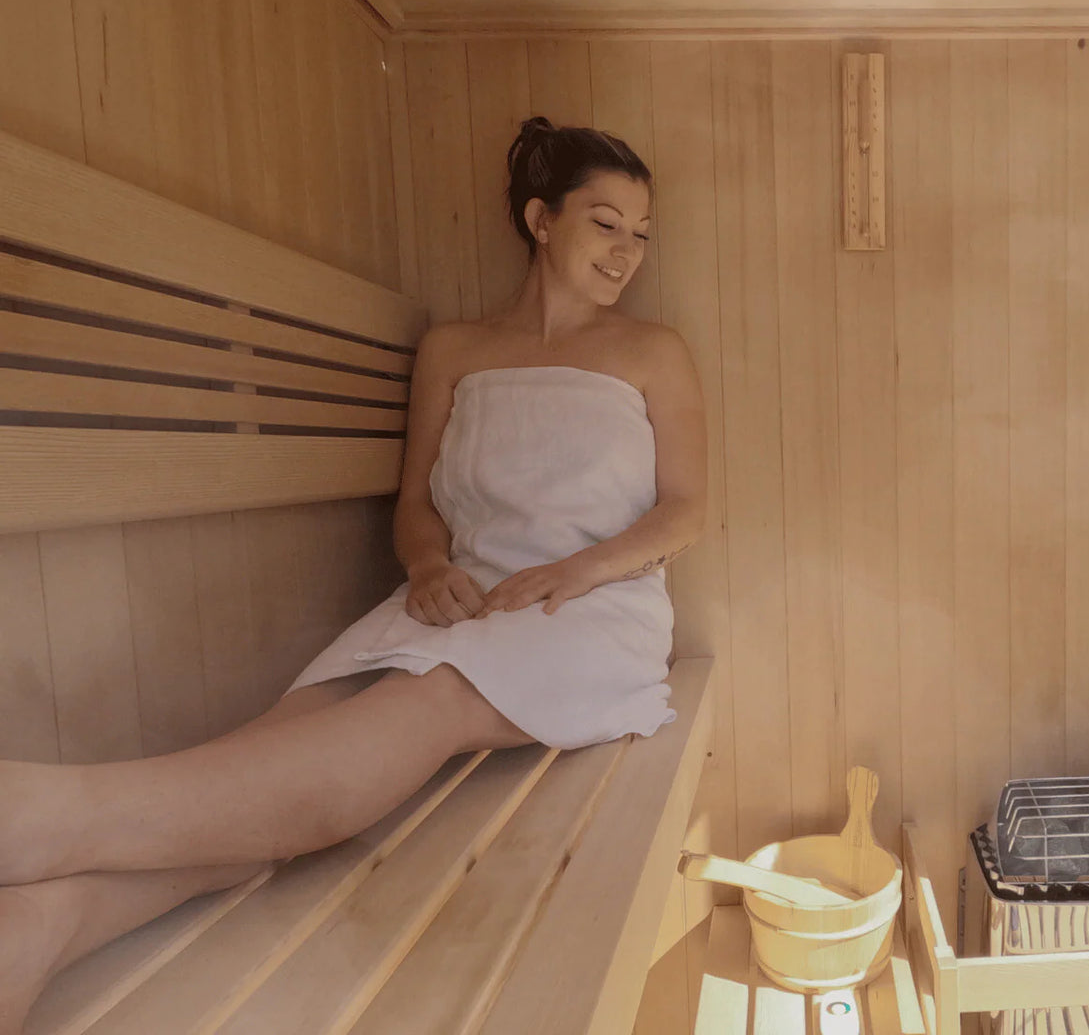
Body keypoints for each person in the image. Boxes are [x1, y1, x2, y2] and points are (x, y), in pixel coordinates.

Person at [0, 116, 707, 1033]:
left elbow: (685, 511)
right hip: (463, 596)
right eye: (605, 224)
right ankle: (44, 923)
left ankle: (41, 813)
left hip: (593, 610)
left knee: (426, 701)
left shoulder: (654, 352)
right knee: (288, 735)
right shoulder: (455, 349)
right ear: (542, 220)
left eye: (641, 234)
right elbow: (414, 501)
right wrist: (427, 565)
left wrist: (578, 571)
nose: (627, 252)